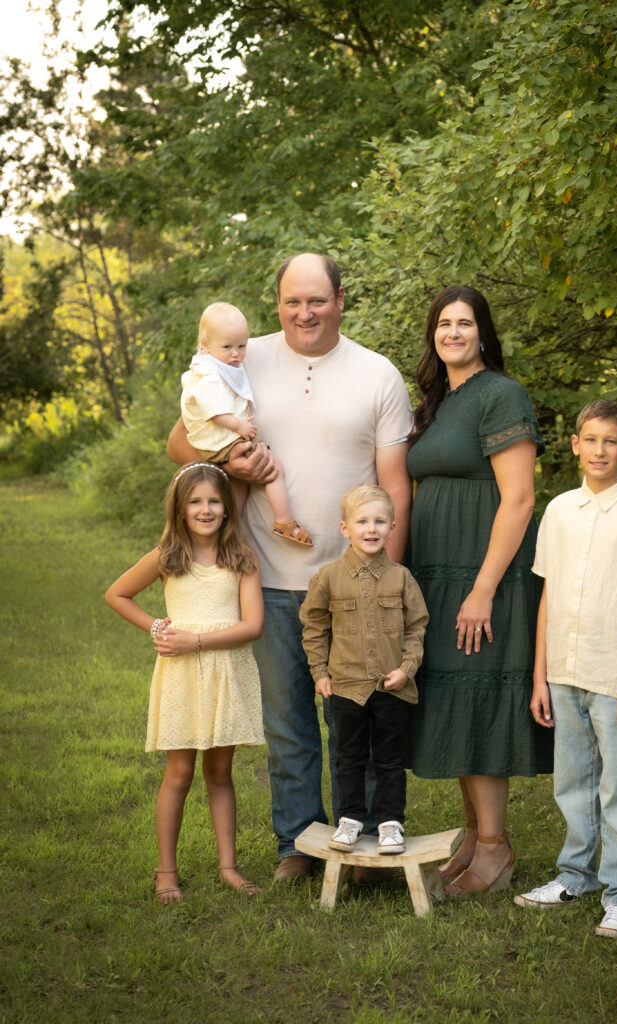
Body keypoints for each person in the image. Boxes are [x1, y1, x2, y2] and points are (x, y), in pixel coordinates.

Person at [167, 254, 413, 881]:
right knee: (289, 725)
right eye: (291, 302)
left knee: (352, 720)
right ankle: (299, 845)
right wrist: (238, 468)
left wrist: (390, 580)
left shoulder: (377, 375)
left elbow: (395, 486)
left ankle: (357, 847)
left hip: (351, 585)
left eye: (317, 301)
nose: (304, 313)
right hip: (266, 580)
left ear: (340, 299)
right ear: (277, 302)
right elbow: (179, 444)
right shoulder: (241, 360)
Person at [406, 285, 554, 897]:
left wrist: (484, 588)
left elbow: (519, 499)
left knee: (480, 697)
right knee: (453, 699)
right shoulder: (441, 400)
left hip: (483, 575)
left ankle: (495, 847)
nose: (453, 333)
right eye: (444, 323)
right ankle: (473, 837)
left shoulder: (501, 394)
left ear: (484, 333)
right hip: (439, 576)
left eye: (465, 323)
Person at [515, 399, 617, 938]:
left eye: (612, 441)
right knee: (573, 783)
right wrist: (540, 676)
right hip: (564, 669)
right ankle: (575, 875)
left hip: (615, 674)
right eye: (591, 439)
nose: (600, 450)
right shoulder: (560, 510)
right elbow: (547, 596)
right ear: (576, 444)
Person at [105, 462, 265, 904]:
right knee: (178, 773)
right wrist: (157, 628)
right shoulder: (167, 557)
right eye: (195, 501)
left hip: (226, 674)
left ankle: (229, 866)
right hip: (181, 678)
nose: (206, 509)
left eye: (214, 500)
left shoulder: (242, 558)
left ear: (227, 507)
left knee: (220, 773)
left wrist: (196, 639)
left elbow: (252, 626)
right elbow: (117, 594)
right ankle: (166, 872)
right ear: (179, 508)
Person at [300, 484, 429, 855]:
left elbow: (417, 626)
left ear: (392, 528)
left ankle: (390, 824)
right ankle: (350, 820)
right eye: (362, 522)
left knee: (389, 759)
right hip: (345, 687)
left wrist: (407, 669)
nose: (371, 529)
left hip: (393, 686)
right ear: (345, 528)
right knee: (348, 756)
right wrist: (320, 673)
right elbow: (314, 627)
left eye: (379, 521)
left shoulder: (402, 578)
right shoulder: (328, 578)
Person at [181, 301, 311, 545]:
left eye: (242, 346)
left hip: (219, 439)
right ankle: (284, 520)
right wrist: (239, 426)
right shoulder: (209, 376)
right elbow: (215, 412)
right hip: (222, 438)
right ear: (206, 345)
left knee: (240, 483)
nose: (236, 354)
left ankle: (231, 531)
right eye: (227, 347)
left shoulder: (214, 365)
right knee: (273, 470)